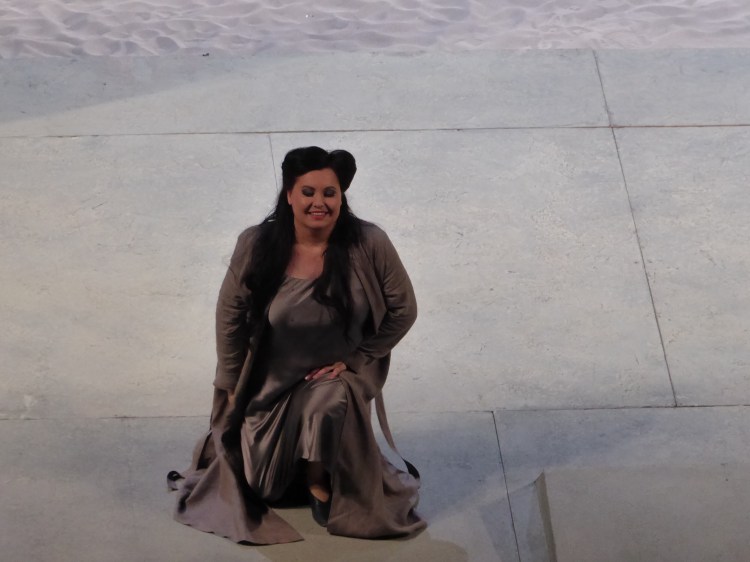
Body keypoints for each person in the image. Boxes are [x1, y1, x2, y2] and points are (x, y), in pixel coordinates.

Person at [168, 146, 426, 544]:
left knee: (329, 402)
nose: (319, 202)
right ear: (289, 194)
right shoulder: (257, 244)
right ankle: (287, 460)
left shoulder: (369, 243)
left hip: (334, 379)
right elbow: (230, 317)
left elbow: (403, 310)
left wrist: (358, 358)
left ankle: (318, 478)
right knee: (263, 486)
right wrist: (232, 383)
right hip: (270, 385)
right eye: (308, 192)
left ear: (342, 197)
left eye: (329, 193)